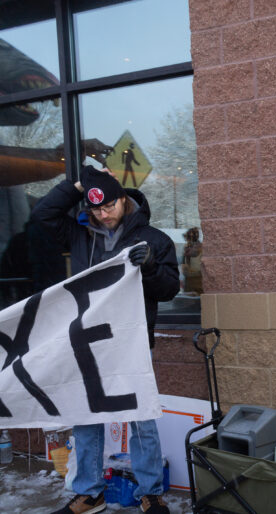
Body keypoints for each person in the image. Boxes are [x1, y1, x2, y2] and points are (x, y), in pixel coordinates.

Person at [32, 165, 179, 514]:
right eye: (95, 208)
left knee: (140, 418)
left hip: (129, 343)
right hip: (86, 342)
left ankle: (150, 492)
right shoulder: (81, 235)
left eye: (109, 206)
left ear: (123, 199)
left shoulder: (154, 238)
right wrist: (79, 184)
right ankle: (90, 492)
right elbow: (42, 214)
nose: (103, 214)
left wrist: (151, 267)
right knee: (86, 417)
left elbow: (169, 289)